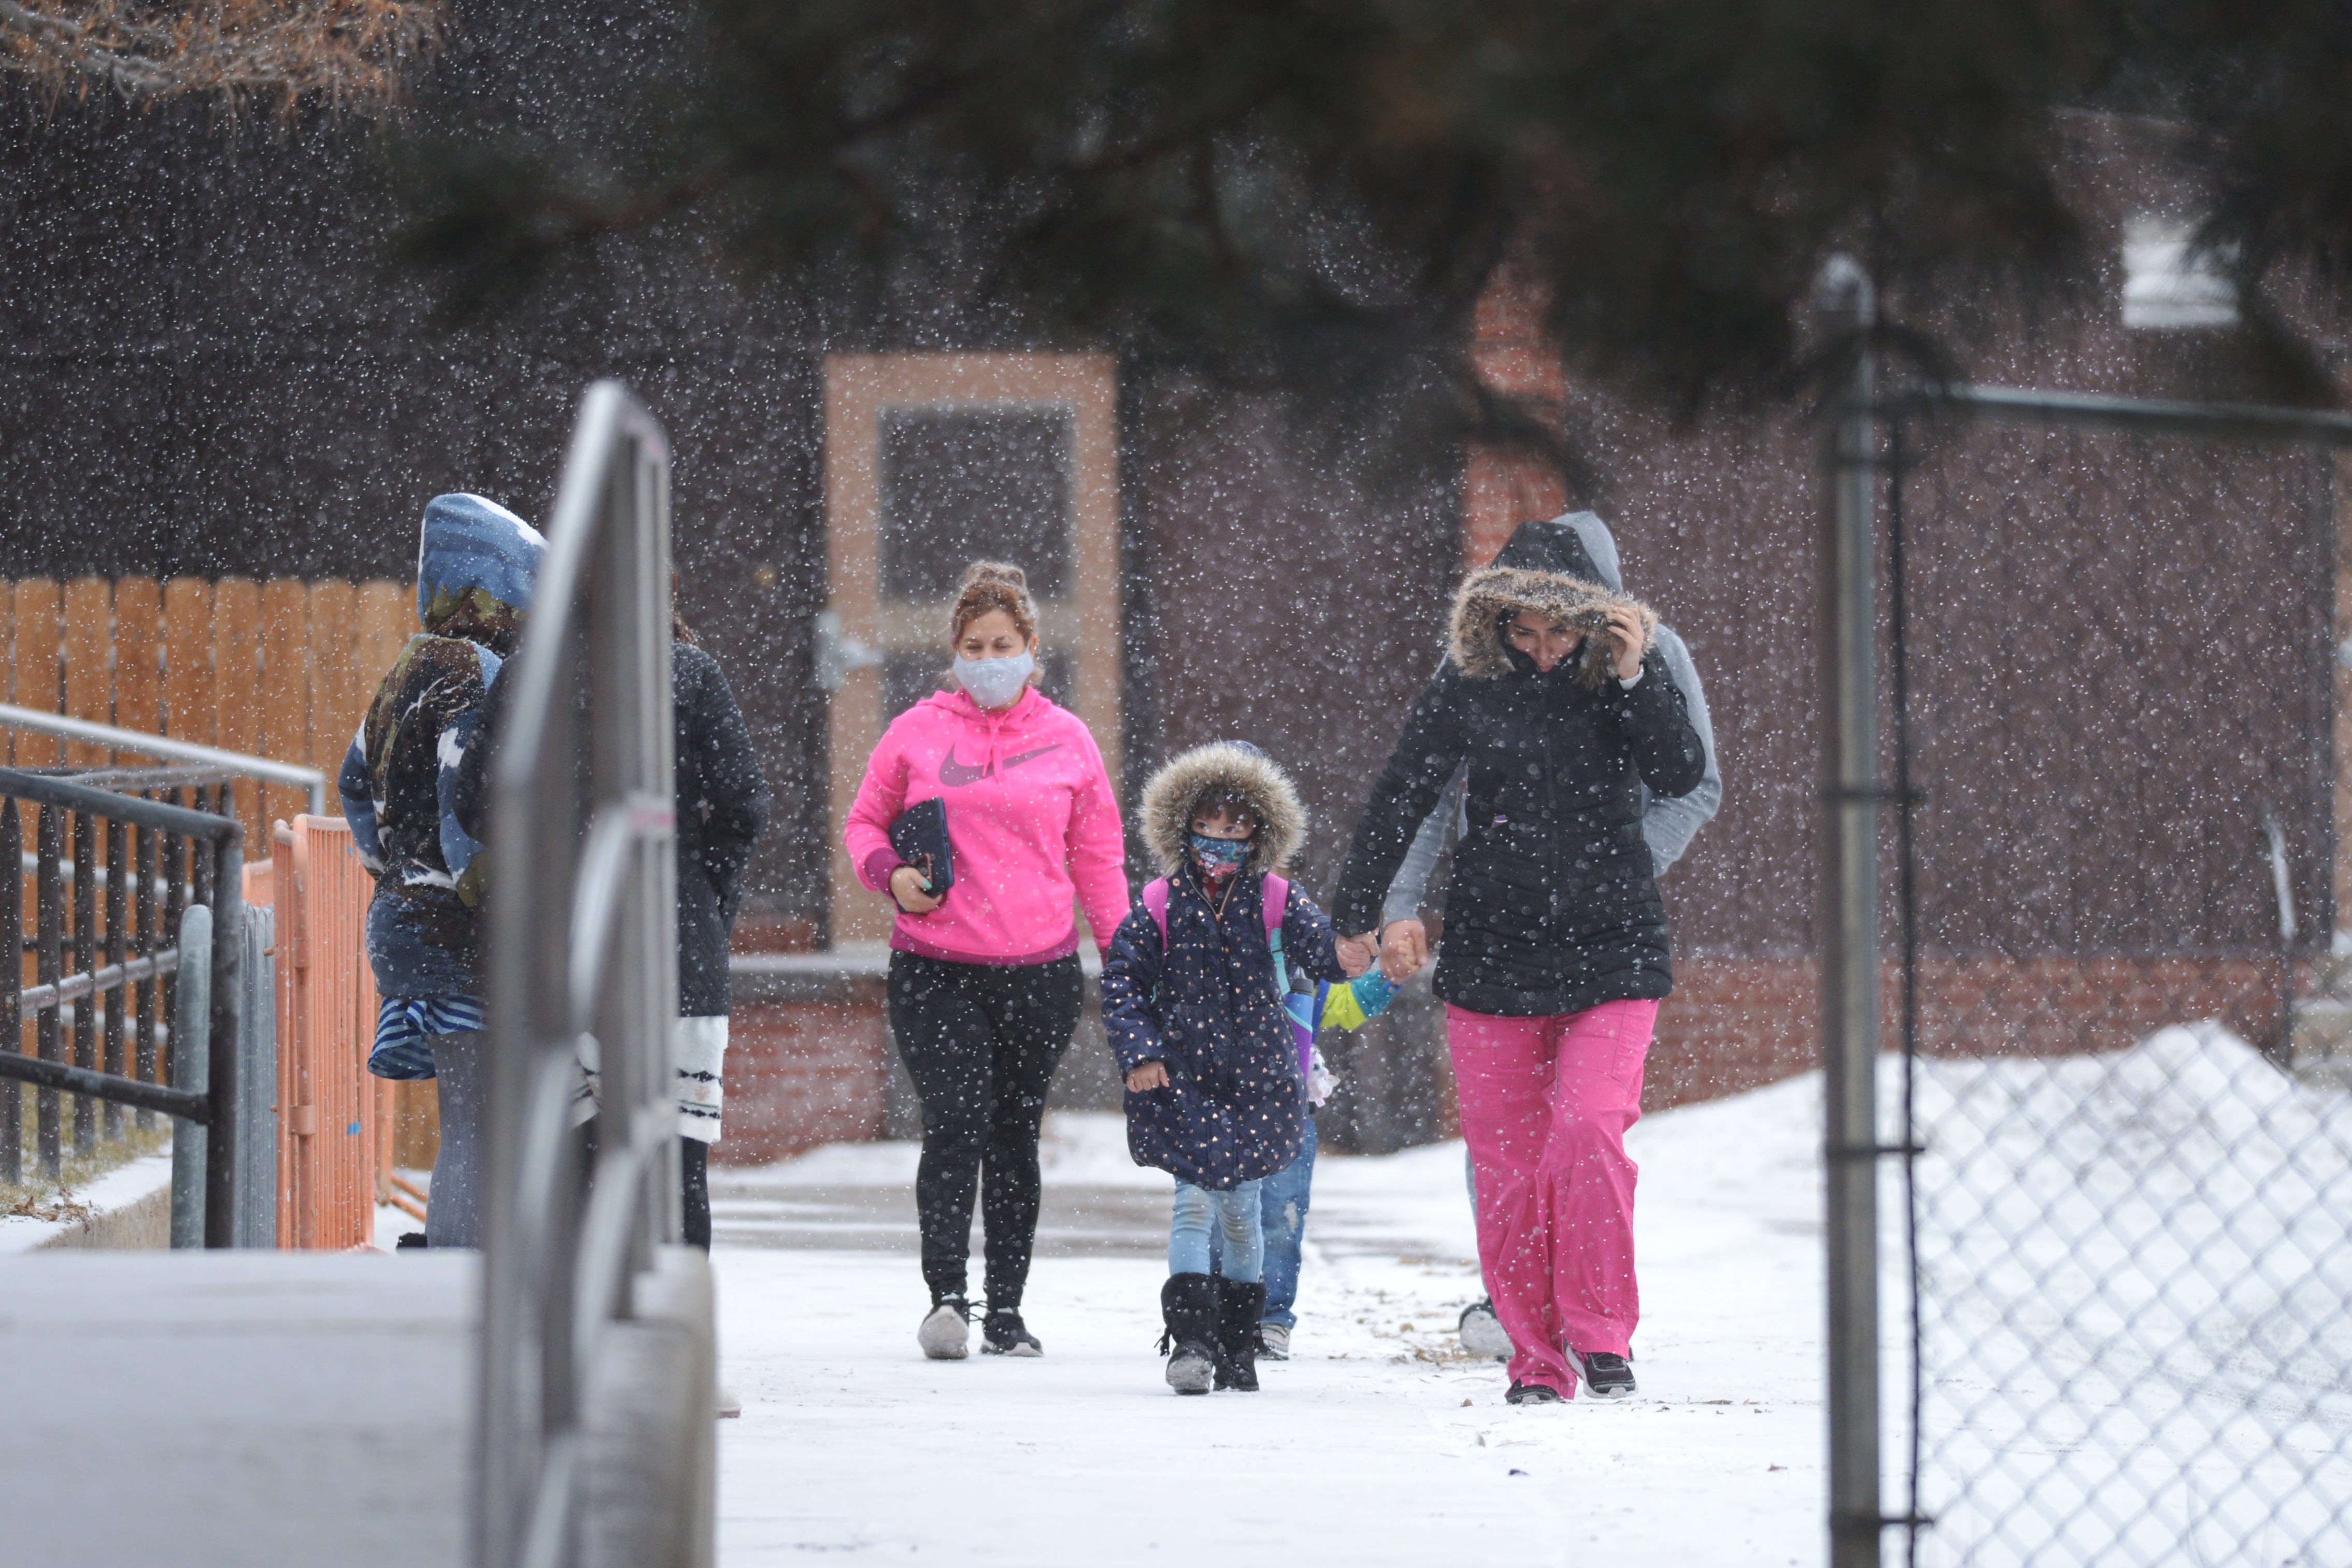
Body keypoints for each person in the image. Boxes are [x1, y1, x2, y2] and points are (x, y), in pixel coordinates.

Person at [1330, 549, 1707, 1403]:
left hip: (1610, 951)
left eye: (1559, 634)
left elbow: (1680, 771)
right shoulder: (1468, 683)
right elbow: (1405, 790)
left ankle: (1600, 1335)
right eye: (1523, 633)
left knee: (1585, 1131)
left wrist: (1634, 675)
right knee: (1507, 1164)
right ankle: (1535, 1358)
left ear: (1591, 627)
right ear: (1496, 627)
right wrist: (1357, 912)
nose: (1540, 651)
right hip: (1493, 952)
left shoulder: (1619, 680)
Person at [843, 561, 1130, 1360]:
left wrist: (1123, 961)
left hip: (1039, 972)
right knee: (955, 1120)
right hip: (936, 967)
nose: (988, 657)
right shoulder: (916, 730)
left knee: (1012, 1136)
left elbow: (1098, 860)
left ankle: (1006, 1309)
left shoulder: (1069, 740)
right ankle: (947, 1299)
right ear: (955, 653)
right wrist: (891, 875)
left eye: (1003, 643)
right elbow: (863, 825)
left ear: (1032, 648)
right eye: (974, 645)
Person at [1100, 742, 1383, 1395]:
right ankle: (1192, 1339)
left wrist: (1354, 950)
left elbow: (1325, 950)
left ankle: (1238, 1342)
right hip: (1185, 1077)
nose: (1221, 839)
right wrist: (1141, 1052)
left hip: (1260, 1081)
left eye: (1237, 826)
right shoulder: (1160, 904)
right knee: (1192, 1206)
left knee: (1244, 1213)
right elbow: (1123, 982)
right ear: (1183, 825)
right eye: (1209, 823)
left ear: (1261, 831)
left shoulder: (1280, 899)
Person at [344, 492, 545, 1249]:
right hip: (461, 933)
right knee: (479, 1119)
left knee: (466, 1114)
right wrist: (488, 887)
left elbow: (354, 783)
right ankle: (463, 1285)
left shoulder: (401, 672)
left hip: (402, 918)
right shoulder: (483, 671)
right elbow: (467, 796)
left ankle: (462, 1267)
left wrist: (389, 866)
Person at [668, 616, 768, 1248]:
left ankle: (583, 1334)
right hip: (679, 948)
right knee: (680, 1163)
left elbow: (478, 799)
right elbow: (745, 804)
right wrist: (708, 899)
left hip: (567, 957)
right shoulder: (690, 672)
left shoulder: (532, 675)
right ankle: (675, 1330)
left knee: (578, 1160)